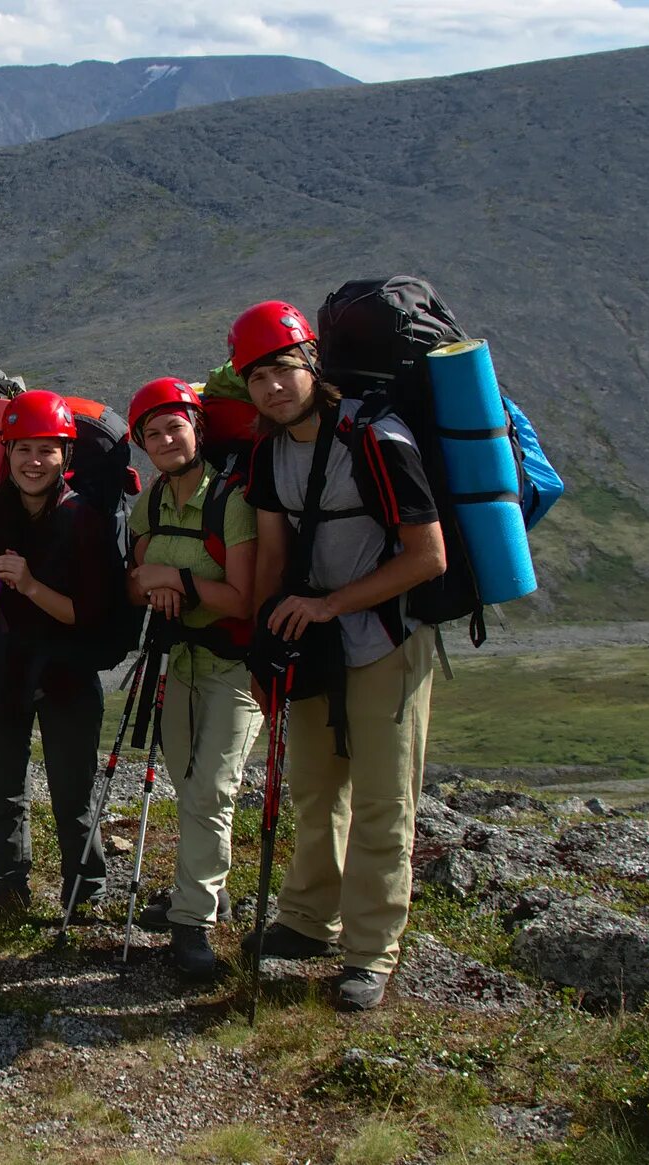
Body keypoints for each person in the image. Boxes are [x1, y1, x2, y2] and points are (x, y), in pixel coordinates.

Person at [233, 300, 447, 1011]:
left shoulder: (377, 439)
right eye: (256, 375)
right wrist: (264, 644)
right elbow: (271, 550)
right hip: (312, 638)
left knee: (384, 799)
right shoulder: (266, 452)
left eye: (282, 369)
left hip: (386, 636)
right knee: (316, 786)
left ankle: (369, 953)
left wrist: (330, 604)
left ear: (311, 363)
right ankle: (305, 918)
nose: (271, 386)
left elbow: (427, 556)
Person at [0, 391, 117, 913]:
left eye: (47, 450)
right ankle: (8, 885)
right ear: (8, 453)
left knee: (73, 792)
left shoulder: (86, 520)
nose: (33, 462)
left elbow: (88, 613)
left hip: (66, 669)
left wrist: (26, 584)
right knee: (2, 786)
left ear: (66, 456)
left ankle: (84, 891)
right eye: (23, 450)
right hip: (4, 666)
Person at [125, 377, 263, 978]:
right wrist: (150, 582)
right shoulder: (147, 505)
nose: (164, 440)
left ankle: (192, 923)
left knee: (211, 789)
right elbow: (131, 582)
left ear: (196, 429)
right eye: (151, 434)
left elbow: (244, 599)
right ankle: (211, 891)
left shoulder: (232, 500)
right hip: (176, 662)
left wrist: (175, 582)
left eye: (173, 427)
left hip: (235, 668)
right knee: (189, 785)